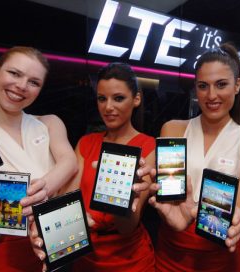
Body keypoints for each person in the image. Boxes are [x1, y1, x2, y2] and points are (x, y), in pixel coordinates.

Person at [0, 46, 78, 271]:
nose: (21, 86)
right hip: (2, 256)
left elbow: (69, 162)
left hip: (55, 239)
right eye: (15, 73)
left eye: (34, 82)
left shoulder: (48, 123)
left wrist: (42, 190)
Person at [148, 44, 240, 271]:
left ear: (237, 85)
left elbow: (239, 209)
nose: (211, 95)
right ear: (196, 89)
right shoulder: (173, 129)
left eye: (221, 84)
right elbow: (158, 185)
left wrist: (236, 222)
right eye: (203, 86)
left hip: (221, 253)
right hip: (172, 249)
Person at [32, 62, 155, 271]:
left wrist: (120, 196)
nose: (108, 107)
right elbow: (69, 202)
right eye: (102, 98)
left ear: (136, 99)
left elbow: (126, 227)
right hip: (86, 255)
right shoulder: (87, 142)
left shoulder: (148, 146)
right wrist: (51, 240)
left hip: (129, 260)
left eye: (118, 98)